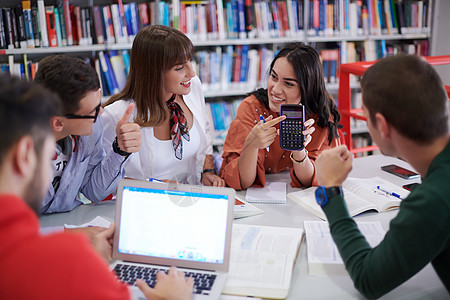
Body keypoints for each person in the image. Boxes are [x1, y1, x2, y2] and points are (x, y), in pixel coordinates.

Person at [0, 74, 193, 299]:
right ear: (25, 155)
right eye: (46, 154)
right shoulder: (64, 259)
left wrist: (120, 151)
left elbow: (93, 191)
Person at [314, 54, 450, 298]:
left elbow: (368, 279)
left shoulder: (434, 199)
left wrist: (330, 190)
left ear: (382, 125)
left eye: (365, 116)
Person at [102, 25, 225, 187]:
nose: (192, 73)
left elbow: (206, 135)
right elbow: (102, 184)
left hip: (187, 199)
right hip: (144, 204)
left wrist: (207, 171)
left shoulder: (192, 87)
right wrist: (154, 186)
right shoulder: (115, 115)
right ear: (153, 72)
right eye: (180, 67)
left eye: (190, 61)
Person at [219, 42, 341, 190]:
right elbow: (243, 182)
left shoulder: (321, 115)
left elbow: (313, 178)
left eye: (288, 84)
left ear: (307, 89)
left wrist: (299, 150)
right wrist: (251, 146)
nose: (275, 89)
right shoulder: (252, 108)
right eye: (274, 77)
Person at [34, 55, 142, 214]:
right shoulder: (15, 153)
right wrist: (66, 233)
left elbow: (94, 192)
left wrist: (120, 150)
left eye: (99, 105)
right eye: (93, 112)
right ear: (58, 123)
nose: (101, 114)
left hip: (69, 224)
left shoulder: (89, 131)